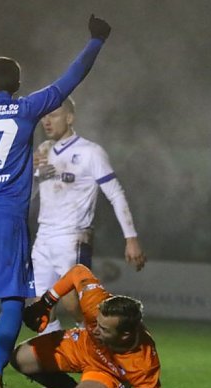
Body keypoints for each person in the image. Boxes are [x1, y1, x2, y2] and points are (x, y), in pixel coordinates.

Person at [0, 15, 111, 388]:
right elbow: (70, 80)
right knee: (11, 299)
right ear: (18, 86)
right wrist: (95, 41)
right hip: (6, 218)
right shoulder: (26, 108)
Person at [32, 96, 146, 333]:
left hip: (72, 236)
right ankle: (57, 355)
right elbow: (33, 193)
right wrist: (32, 174)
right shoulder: (43, 151)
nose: (46, 121)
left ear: (70, 118)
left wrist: (131, 238)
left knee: (72, 302)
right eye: (44, 116)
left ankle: (96, 342)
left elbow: (115, 194)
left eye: (53, 115)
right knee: (40, 307)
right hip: (43, 236)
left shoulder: (90, 152)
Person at [11, 264, 162, 388]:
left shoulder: (144, 361)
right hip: (81, 346)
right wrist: (46, 303)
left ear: (125, 335)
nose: (95, 330)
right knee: (18, 357)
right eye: (97, 322)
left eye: (103, 329)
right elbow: (77, 271)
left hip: (105, 374)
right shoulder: (95, 302)